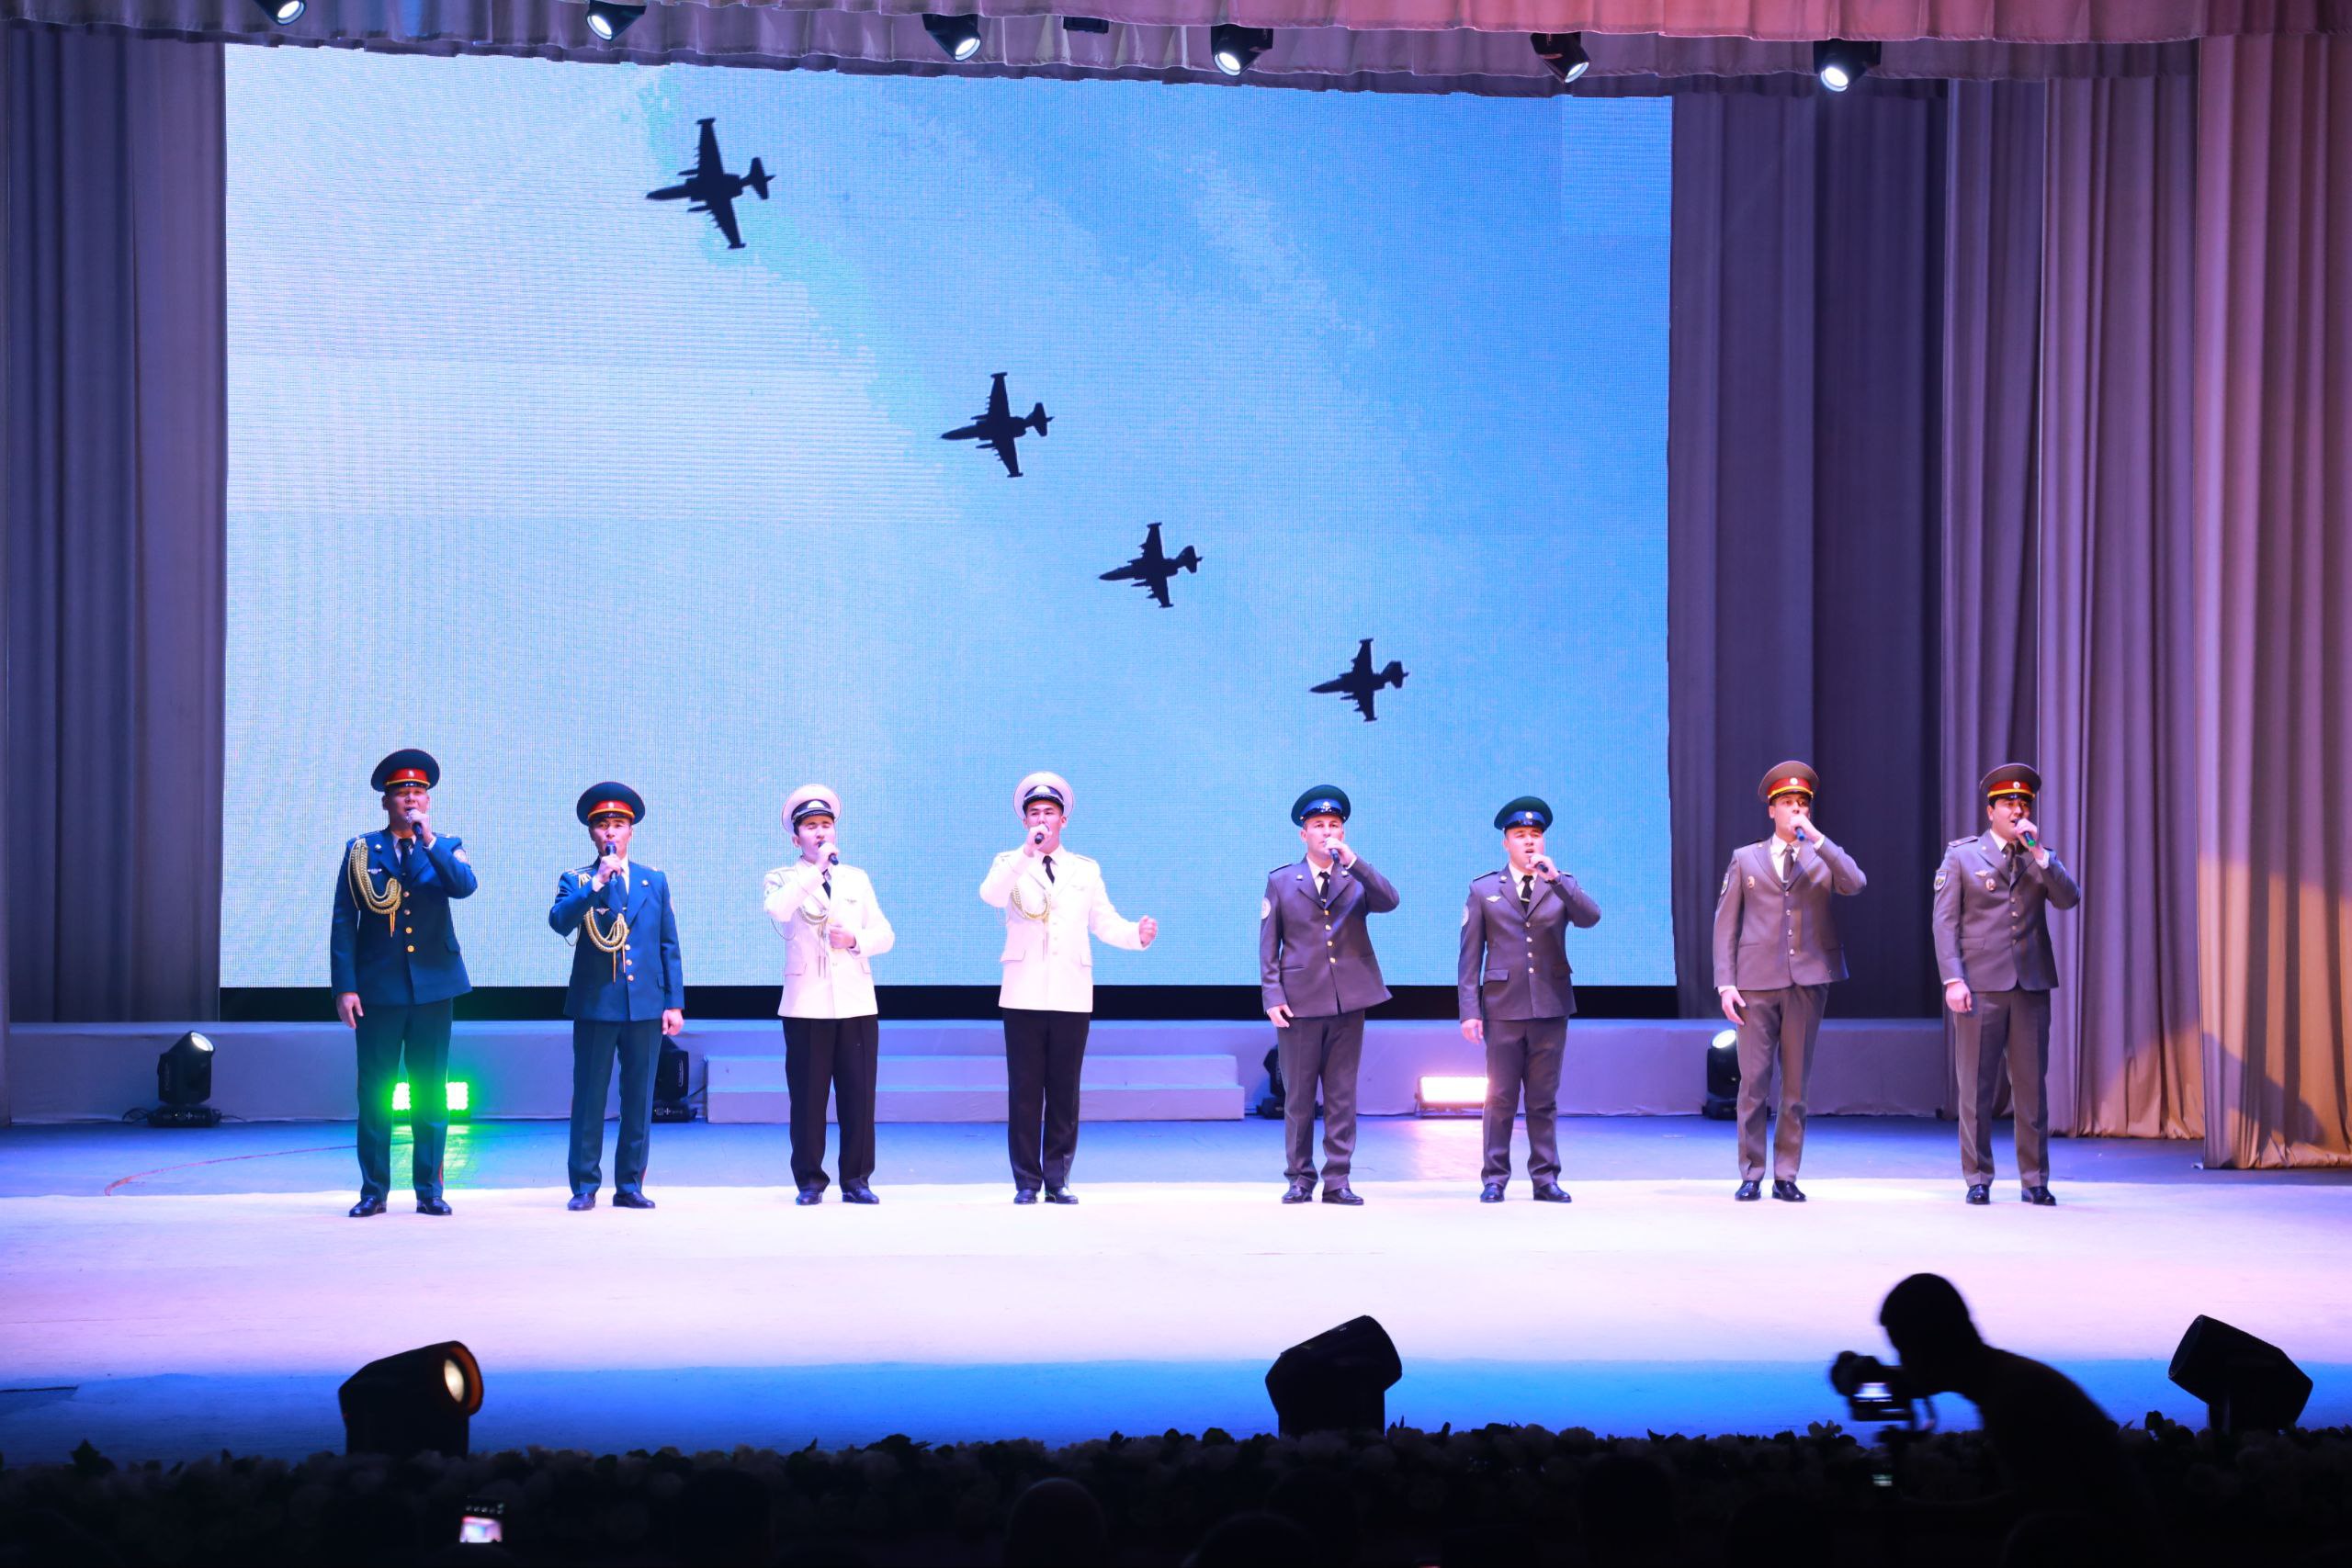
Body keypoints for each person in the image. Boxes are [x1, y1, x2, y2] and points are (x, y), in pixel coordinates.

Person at [978, 772, 1157, 1203]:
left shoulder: (1085, 869)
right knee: (1025, 1092)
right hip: (1023, 993)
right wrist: (1026, 854)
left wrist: (1135, 935)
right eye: (1034, 813)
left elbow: (1103, 921)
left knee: (1064, 1091)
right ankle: (1026, 1181)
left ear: (1063, 820)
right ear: (1025, 822)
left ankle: (1057, 1179)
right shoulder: (1009, 863)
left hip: (1071, 994)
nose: (1042, 819)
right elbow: (991, 895)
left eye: (1049, 813)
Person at [1710, 761, 1868, 1202]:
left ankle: (1786, 1174)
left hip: (1807, 982)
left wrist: (1818, 839)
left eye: (1802, 804)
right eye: (1787, 803)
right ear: (1771, 810)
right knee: (1753, 1083)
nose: (1796, 810)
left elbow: (1855, 882)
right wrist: (1726, 983)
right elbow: (1725, 924)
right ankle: (1751, 1172)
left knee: (1795, 1085)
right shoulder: (1746, 858)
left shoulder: (1821, 856)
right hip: (1755, 982)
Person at [331, 748, 479, 1218]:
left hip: (434, 986)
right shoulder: (362, 850)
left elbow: (464, 886)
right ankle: (373, 1191)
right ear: (386, 802)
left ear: (428, 801)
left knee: (431, 1092)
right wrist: (345, 987)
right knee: (375, 1093)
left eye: (418, 792)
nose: (410, 800)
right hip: (378, 989)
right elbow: (344, 920)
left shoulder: (446, 846)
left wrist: (428, 840)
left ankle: (429, 1190)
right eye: (401, 793)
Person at [1876, 1273, 2139, 1528]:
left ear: (1930, 1344)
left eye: (1903, 1350)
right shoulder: (2011, 1379)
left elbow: (2030, 1509)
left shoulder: (2013, 1398)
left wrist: (1915, 1513)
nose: (1902, 1363)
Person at [1933, 764, 2082, 1205]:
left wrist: (2041, 856)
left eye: (2024, 804)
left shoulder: (2039, 856)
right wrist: (1953, 978)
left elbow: (2069, 898)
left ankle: (2034, 1180)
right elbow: (1945, 923)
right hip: (1979, 985)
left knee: (2031, 1088)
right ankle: (1978, 1178)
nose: (2018, 811)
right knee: (1976, 1086)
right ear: (1991, 811)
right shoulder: (1963, 856)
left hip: (2030, 984)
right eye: (2009, 804)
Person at [1261, 786, 1400, 1205]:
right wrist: (1272, 994)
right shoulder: (1282, 880)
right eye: (1318, 825)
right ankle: (1300, 1178)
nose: (1327, 832)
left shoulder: (1355, 877)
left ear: (1343, 832)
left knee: (1341, 1097)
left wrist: (1354, 862)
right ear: (1303, 834)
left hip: (1348, 1000)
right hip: (1300, 1001)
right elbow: (1269, 944)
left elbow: (1390, 901)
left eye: (1334, 825)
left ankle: (1338, 1179)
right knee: (1299, 1097)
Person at [1457, 796, 1600, 1202]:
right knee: (1500, 1098)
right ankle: (1494, 1178)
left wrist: (1556, 881)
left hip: (1551, 1005)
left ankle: (1545, 1178)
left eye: (1535, 834)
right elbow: (1470, 955)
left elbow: (1590, 917)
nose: (1529, 841)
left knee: (1543, 1099)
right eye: (1520, 835)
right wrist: (1469, 1010)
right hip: (1503, 1007)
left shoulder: (1559, 883)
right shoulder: (1484, 889)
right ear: (1506, 843)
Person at [549, 783, 684, 1211]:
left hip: (644, 1002)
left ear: (631, 831)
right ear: (592, 833)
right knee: (590, 1095)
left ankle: (630, 1184)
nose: (611, 832)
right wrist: (596, 884)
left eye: (619, 824)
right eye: (603, 825)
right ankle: (584, 1186)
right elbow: (559, 922)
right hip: (597, 1003)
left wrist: (673, 1002)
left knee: (639, 1098)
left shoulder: (653, 880)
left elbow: (667, 943)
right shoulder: (577, 879)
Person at [763, 784, 894, 1205]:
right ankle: (810, 1181)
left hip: (855, 1002)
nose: (820, 832)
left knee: (859, 1096)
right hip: (807, 1004)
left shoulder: (856, 878)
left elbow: (885, 933)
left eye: (826, 824)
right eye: (810, 826)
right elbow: (779, 910)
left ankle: (857, 1179)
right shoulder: (783, 878)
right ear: (795, 838)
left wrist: (856, 940)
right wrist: (816, 870)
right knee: (808, 1098)